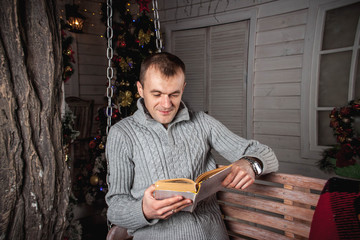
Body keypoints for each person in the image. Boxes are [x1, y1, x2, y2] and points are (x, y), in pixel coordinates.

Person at [105, 52, 279, 240]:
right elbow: (115, 208)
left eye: (174, 94)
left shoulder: (203, 123)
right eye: (157, 94)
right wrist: (144, 210)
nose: (166, 104)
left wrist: (250, 164)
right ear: (140, 89)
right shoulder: (122, 134)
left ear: (183, 88)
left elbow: (266, 154)